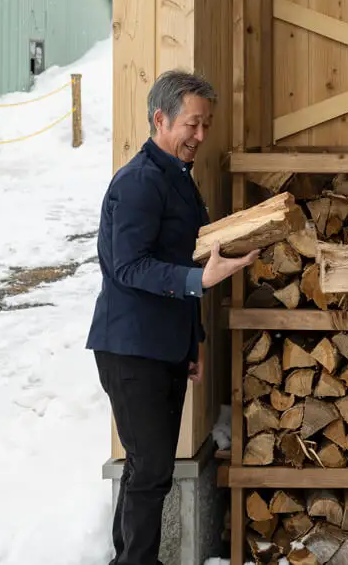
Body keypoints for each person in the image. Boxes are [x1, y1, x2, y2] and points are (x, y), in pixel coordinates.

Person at [86, 70, 257, 565]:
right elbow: (128, 265)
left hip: (162, 344)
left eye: (206, 125)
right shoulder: (139, 181)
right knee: (152, 467)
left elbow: (184, 258)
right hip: (130, 347)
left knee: (148, 466)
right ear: (160, 119)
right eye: (193, 124)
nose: (201, 137)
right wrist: (200, 283)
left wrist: (193, 338)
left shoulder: (177, 179)